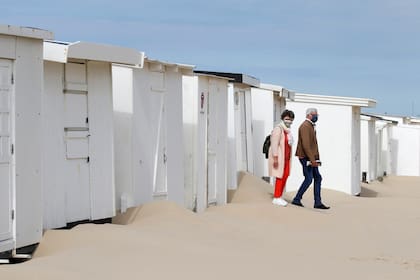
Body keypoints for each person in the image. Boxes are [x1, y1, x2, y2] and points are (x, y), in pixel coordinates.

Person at [291, 108, 330, 210]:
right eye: (314, 115)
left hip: (311, 158)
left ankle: (317, 202)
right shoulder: (305, 126)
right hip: (306, 158)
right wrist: (312, 160)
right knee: (309, 179)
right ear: (309, 115)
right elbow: (306, 145)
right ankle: (297, 199)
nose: (316, 116)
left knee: (317, 178)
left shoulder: (310, 126)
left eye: (316, 115)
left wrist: (315, 159)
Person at [269, 109, 295, 206]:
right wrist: (275, 158)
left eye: (291, 119)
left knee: (286, 175)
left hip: (287, 158)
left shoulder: (287, 131)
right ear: (283, 118)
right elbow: (274, 144)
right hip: (279, 158)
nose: (289, 121)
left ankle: (279, 195)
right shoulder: (278, 129)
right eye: (287, 118)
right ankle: (276, 197)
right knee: (279, 176)